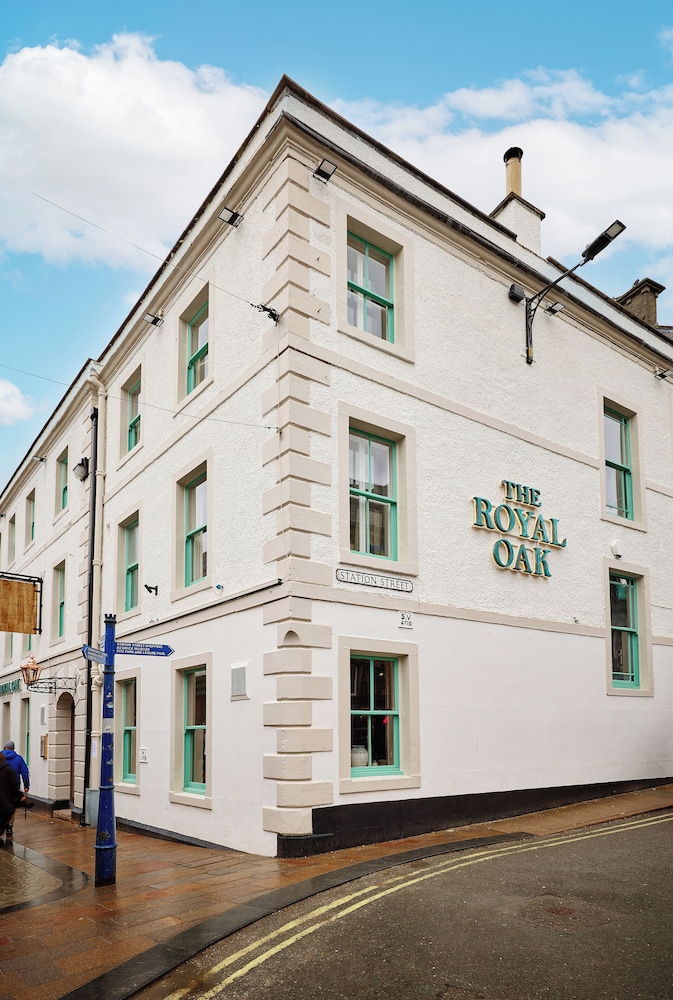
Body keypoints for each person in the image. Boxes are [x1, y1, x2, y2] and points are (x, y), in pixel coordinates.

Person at [0, 751, 20, 838]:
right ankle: (9, 827)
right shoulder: (17, 759)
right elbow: (24, 772)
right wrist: (26, 785)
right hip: (8, 795)